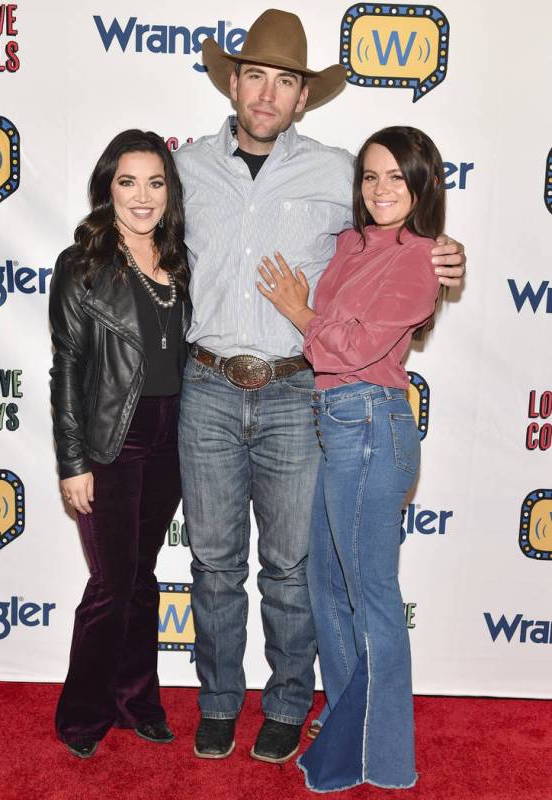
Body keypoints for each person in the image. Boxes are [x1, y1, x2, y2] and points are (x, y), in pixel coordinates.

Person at [174, 9, 465, 764]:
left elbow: (391, 228)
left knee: (292, 566)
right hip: (205, 386)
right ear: (232, 83)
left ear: (303, 98)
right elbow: (139, 235)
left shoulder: (338, 170)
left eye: (285, 83)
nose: (267, 94)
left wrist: (444, 251)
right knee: (211, 561)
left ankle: (288, 703)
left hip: (294, 392)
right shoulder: (186, 168)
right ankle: (215, 701)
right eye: (256, 77)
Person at [257, 125, 447, 791]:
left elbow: (355, 347)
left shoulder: (424, 257)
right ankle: (348, 722)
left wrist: (300, 313)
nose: (380, 188)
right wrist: (310, 318)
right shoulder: (348, 243)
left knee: (370, 594)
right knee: (325, 587)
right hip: (333, 424)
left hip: (372, 424)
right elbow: (334, 343)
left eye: (397, 176)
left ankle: (385, 756)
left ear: (422, 185)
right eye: (370, 176)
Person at [49, 129, 189, 758]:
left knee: (143, 575)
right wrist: (74, 462)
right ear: (108, 188)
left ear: (169, 191)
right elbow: (67, 369)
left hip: (172, 441)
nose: (142, 195)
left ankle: (138, 702)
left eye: (155, 182)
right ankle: (82, 712)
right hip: (112, 443)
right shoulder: (83, 267)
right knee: (111, 582)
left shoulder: (181, 260)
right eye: (128, 181)